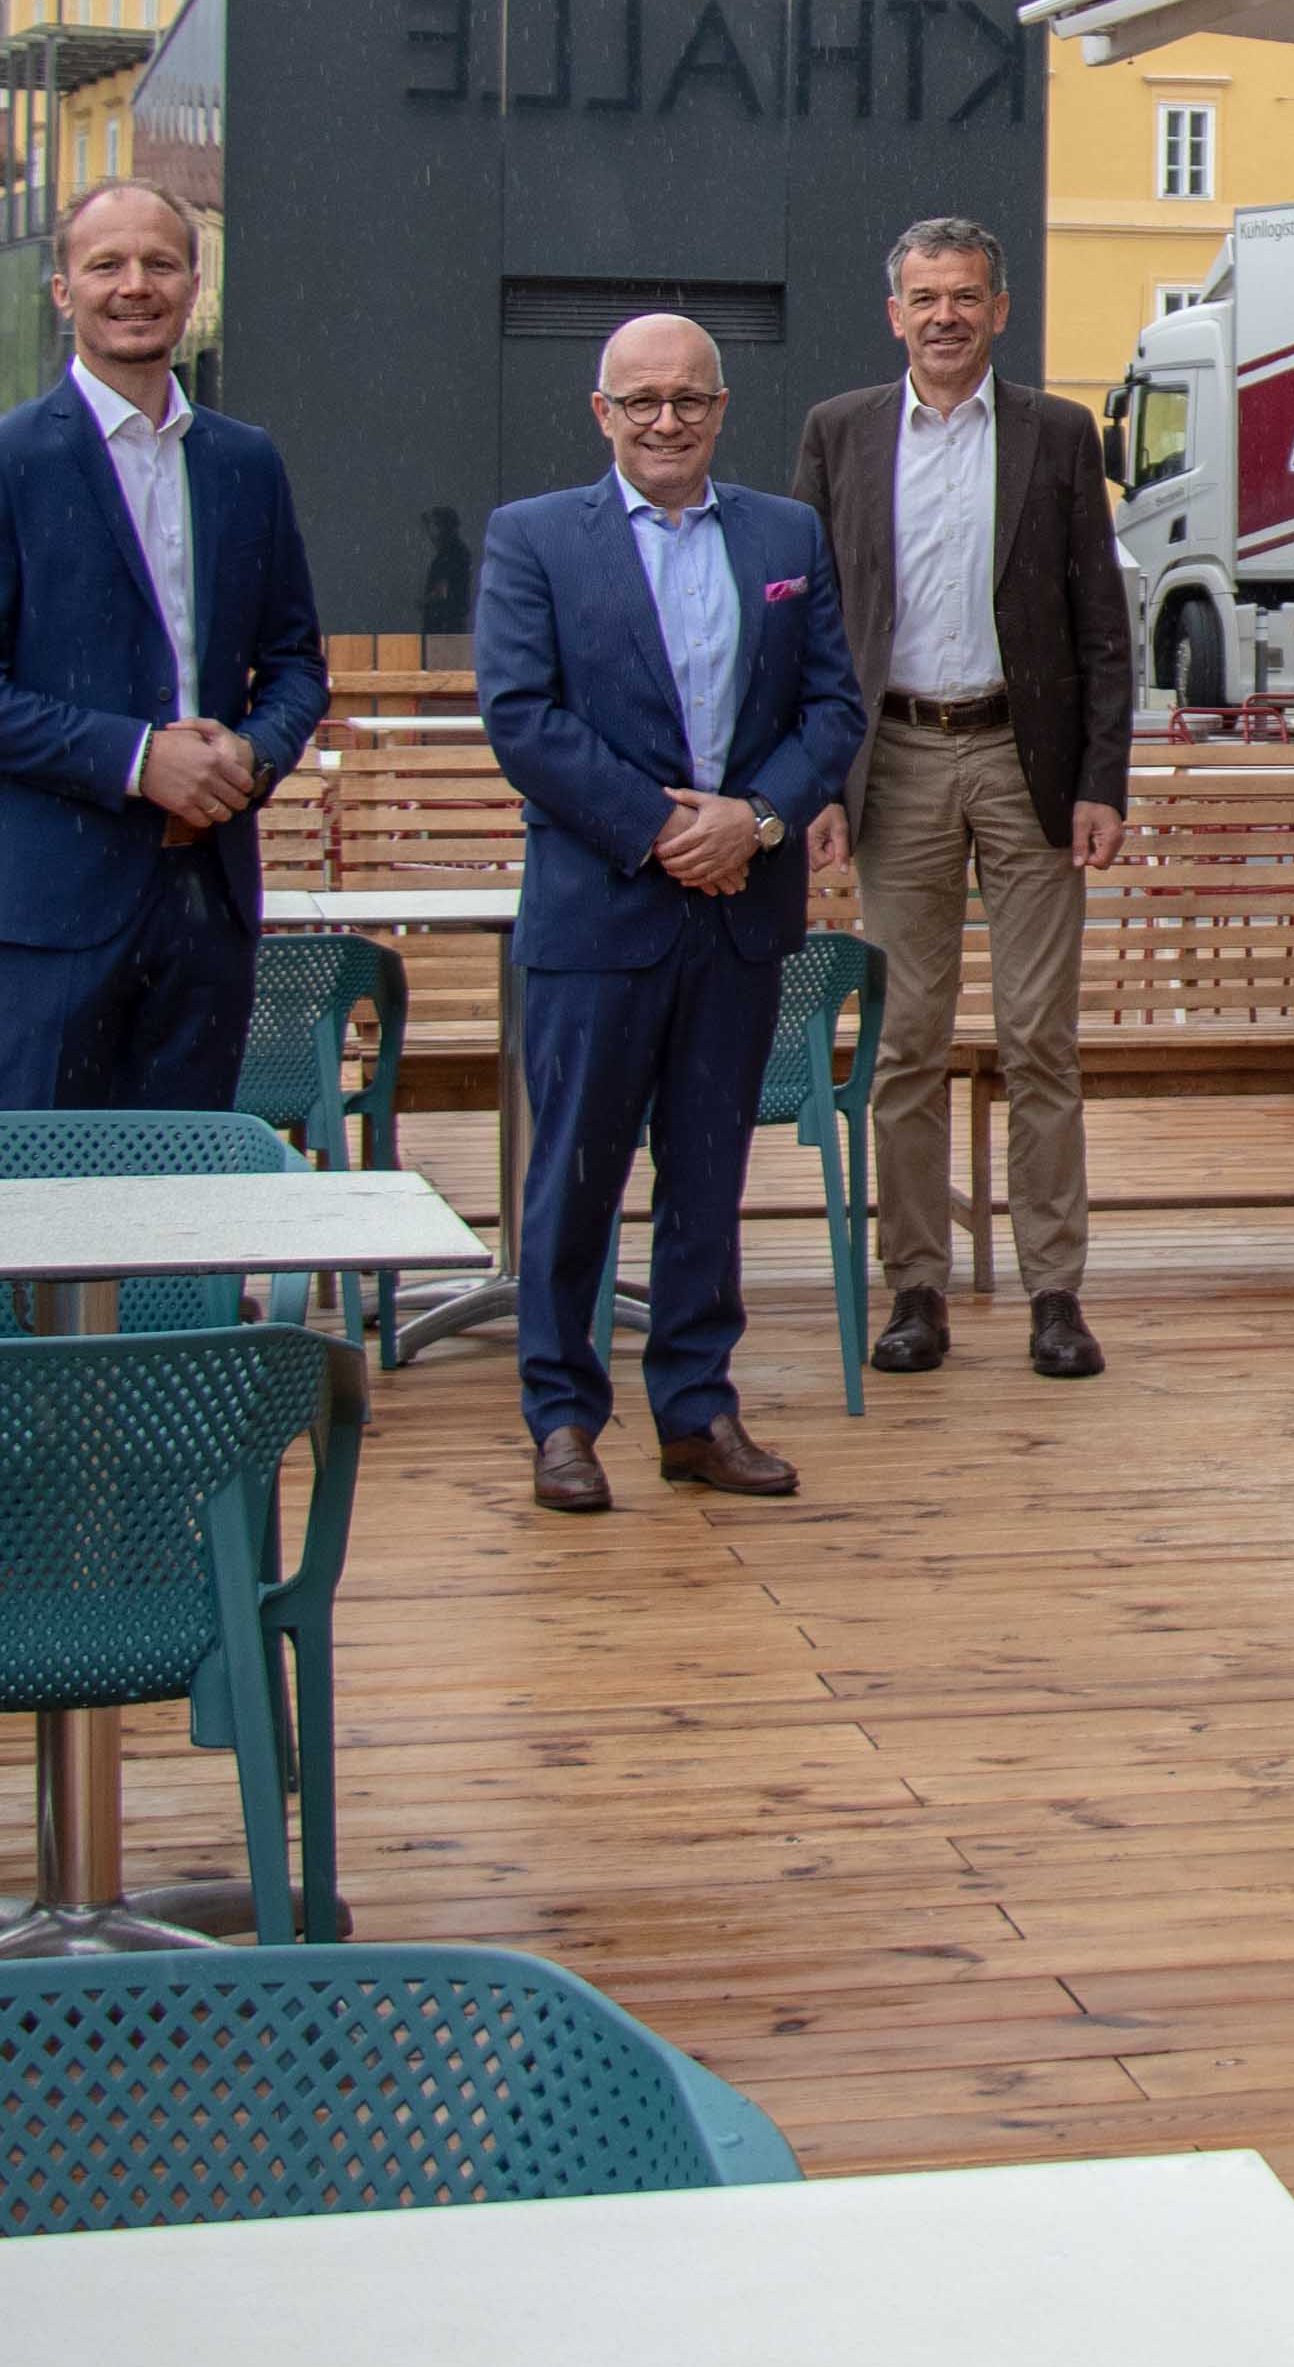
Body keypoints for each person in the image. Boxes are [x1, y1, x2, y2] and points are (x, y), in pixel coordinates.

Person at [475, 312, 865, 1510]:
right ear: (602, 412)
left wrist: (749, 822)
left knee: (708, 1178)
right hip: (602, 915)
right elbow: (521, 716)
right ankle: (561, 1416)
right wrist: (662, 829)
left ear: (721, 407)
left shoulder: (785, 534)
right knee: (576, 1178)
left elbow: (833, 708)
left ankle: (696, 1409)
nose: (665, 420)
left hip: (740, 909)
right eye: (640, 400)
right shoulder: (534, 537)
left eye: (688, 399)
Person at [794, 218, 1136, 1384]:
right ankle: (917, 1287)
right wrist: (814, 784)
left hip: (1023, 761)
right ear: (894, 313)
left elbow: (1102, 623)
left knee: (1042, 1038)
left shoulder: (1053, 435)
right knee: (902, 1043)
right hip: (889, 762)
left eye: (966, 296)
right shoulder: (839, 434)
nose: (944, 315)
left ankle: (1054, 1292)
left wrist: (1101, 780)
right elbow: (804, 625)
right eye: (923, 297)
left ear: (999, 310)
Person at [0, 180, 326, 1110]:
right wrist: (139, 760)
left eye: (159, 263)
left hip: (205, 901)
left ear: (192, 284)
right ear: (63, 291)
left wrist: (250, 755)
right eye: (106, 265)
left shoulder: (244, 461)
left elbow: (296, 663)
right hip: (46, 907)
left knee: (184, 1217)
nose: (134, 285)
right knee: (37, 1215)